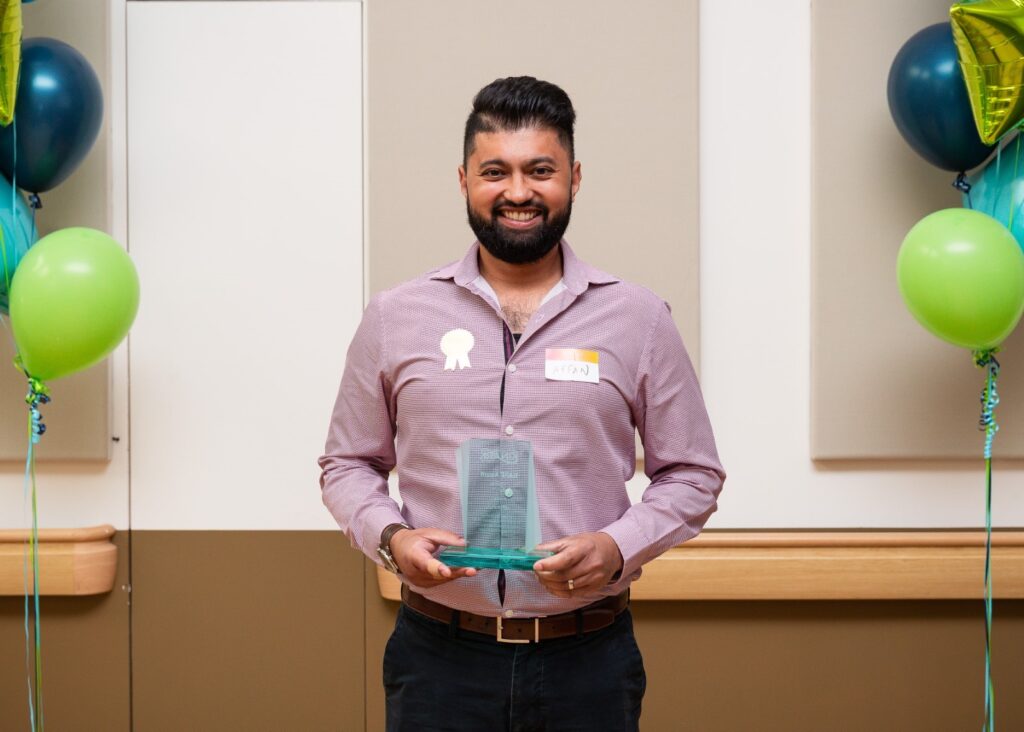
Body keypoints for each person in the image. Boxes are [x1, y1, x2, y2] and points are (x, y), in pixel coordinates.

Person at [319, 76, 724, 731]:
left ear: (575, 176)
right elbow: (346, 464)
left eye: (541, 170)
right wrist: (392, 538)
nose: (517, 192)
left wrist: (618, 546)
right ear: (463, 180)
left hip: (588, 662)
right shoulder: (396, 317)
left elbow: (695, 473)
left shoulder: (639, 319)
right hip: (436, 663)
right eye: (495, 172)